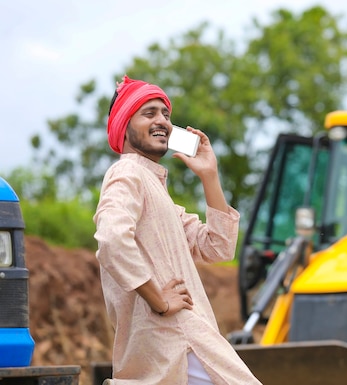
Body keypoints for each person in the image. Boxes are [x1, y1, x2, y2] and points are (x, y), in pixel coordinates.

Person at [94, 76, 262, 385]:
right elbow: (111, 240)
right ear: (124, 126)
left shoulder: (158, 193)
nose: (162, 121)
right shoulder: (127, 172)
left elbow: (217, 248)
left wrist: (210, 176)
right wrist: (159, 299)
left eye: (166, 114)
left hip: (174, 347)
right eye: (149, 113)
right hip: (178, 338)